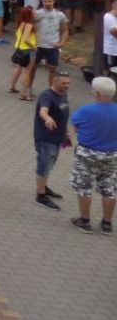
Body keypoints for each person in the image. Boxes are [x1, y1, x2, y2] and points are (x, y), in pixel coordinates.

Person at [67, 75, 117, 234]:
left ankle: (85, 221)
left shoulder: (86, 110)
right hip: (112, 155)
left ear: (98, 94)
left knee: (84, 186)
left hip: (88, 154)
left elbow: (76, 127)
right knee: (109, 187)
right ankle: (107, 224)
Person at [33, 70, 71, 211]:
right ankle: (41, 195)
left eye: (68, 83)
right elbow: (43, 111)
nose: (67, 85)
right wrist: (47, 118)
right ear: (54, 81)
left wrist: (65, 132)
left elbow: (63, 115)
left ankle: (44, 186)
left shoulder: (63, 94)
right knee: (44, 165)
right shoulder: (47, 96)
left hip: (57, 137)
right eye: (64, 83)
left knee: (50, 164)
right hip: (46, 138)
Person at [26, 0, 70, 93]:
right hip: (38, 46)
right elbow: (28, 27)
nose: (47, 3)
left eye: (49, 1)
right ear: (42, 2)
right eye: (45, 1)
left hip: (53, 47)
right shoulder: (37, 13)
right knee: (33, 68)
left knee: (53, 70)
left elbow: (65, 30)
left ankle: (52, 91)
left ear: (53, 1)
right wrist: (31, 42)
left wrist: (61, 43)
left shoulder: (60, 15)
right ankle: (28, 88)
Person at [8, 7, 37, 99]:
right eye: (33, 13)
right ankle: (23, 94)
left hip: (19, 49)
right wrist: (34, 47)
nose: (35, 14)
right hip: (28, 51)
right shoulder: (29, 25)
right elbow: (26, 39)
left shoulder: (21, 23)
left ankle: (12, 86)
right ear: (29, 15)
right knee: (27, 72)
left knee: (18, 68)